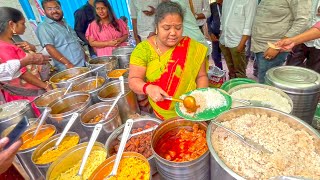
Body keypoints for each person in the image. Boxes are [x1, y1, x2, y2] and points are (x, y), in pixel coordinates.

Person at [129, 1, 209, 120]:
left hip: (191, 111)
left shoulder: (193, 47)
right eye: (166, 28)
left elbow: (201, 76)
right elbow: (133, 80)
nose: (173, 33)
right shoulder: (143, 50)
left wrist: (199, 97)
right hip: (161, 113)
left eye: (178, 27)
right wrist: (148, 88)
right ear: (156, 26)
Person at [0, 7, 51, 115]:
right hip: (24, 95)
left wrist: (32, 49)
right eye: (22, 23)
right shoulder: (3, 47)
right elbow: (23, 74)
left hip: (34, 87)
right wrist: (45, 86)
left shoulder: (14, 39)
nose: (25, 26)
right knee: (38, 120)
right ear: (11, 25)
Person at [251, 0, 311, 83]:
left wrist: (277, 47)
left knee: (267, 83)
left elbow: (303, 21)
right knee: (262, 77)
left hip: (273, 47)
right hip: (258, 44)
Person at [36, 0, 86, 72]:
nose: (54, 11)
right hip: (69, 69)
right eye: (50, 9)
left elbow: (75, 41)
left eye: (57, 8)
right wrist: (68, 64)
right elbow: (50, 48)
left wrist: (85, 55)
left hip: (82, 63)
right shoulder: (44, 27)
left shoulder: (65, 23)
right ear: (44, 11)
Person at [219, 0, 257, 79]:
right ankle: (232, 87)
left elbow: (249, 23)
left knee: (240, 72)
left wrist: (241, 44)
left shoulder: (251, 1)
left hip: (237, 42)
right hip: (224, 40)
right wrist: (221, 36)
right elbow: (223, 19)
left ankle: (240, 88)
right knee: (231, 70)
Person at [284, 0, 320, 72]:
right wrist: (291, 39)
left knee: (313, 73)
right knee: (290, 69)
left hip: (317, 44)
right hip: (300, 37)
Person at [207, 0, 222, 70]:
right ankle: (220, 71)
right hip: (215, 34)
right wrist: (210, 33)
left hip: (227, 34)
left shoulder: (229, 5)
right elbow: (208, 21)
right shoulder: (212, 6)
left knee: (230, 56)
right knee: (215, 56)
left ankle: (233, 75)